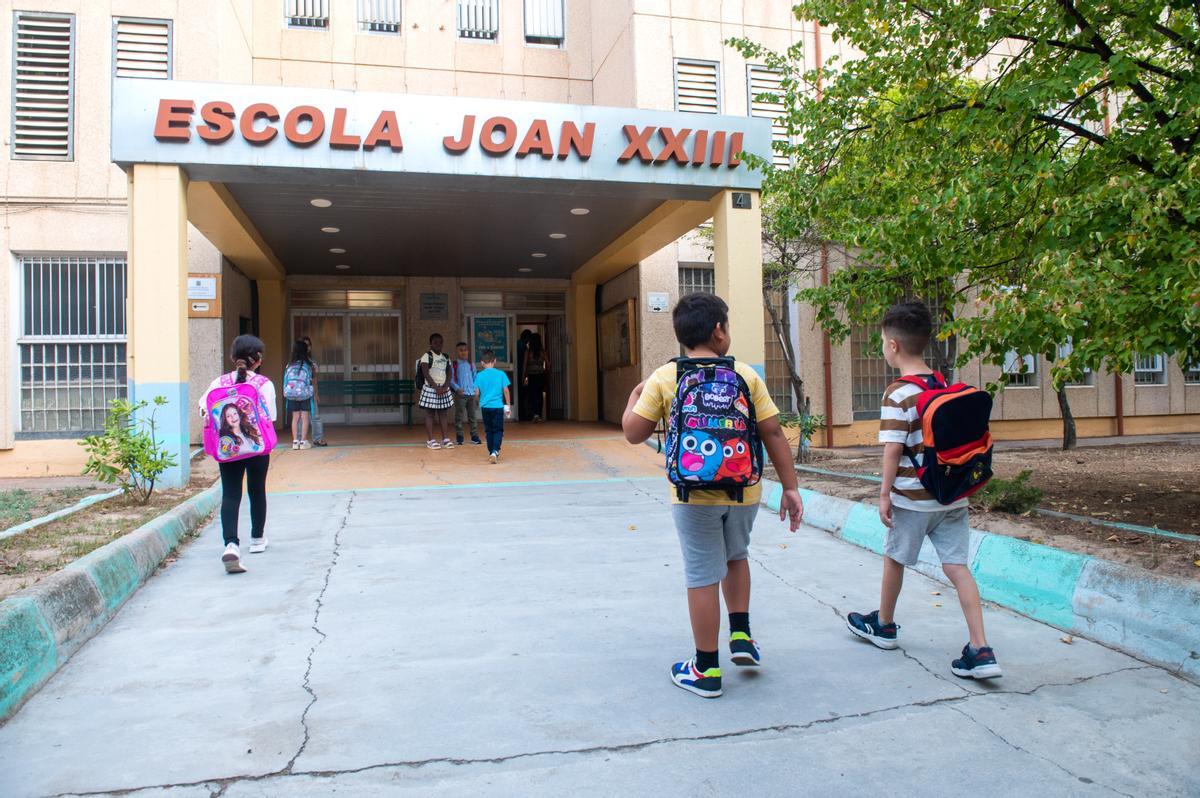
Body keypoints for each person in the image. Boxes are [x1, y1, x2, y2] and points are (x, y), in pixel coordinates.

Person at [621, 293, 805, 698]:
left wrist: (634, 399)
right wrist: (790, 488)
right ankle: (741, 635)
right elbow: (772, 432)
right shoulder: (745, 375)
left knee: (703, 573)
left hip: (692, 495)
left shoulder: (665, 377)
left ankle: (705, 669)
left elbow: (633, 433)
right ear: (719, 330)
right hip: (744, 490)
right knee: (736, 556)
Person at [845, 301, 1002, 680]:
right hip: (952, 495)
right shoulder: (946, 385)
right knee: (957, 567)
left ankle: (883, 625)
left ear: (894, 346)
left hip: (912, 499)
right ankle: (980, 648)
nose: (883, 348)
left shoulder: (898, 393)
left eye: (883, 341)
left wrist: (884, 494)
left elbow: (893, 449)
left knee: (895, 559)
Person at [200, 335, 276, 574]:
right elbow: (270, 417)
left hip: (228, 447)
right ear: (258, 359)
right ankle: (257, 540)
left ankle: (231, 544)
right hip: (256, 446)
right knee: (256, 490)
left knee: (231, 495)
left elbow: (203, 408)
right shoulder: (263, 383)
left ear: (233, 358)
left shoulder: (218, 383)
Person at [417, 333, 455, 449]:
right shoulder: (427, 356)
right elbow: (425, 373)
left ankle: (445, 439)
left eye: (440, 342)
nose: (438, 344)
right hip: (431, 388)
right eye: (435, 342)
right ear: (430, 344)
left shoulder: (446, 357)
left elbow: (449, 372)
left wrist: (445, 386)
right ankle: (430, 440)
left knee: (443, 414)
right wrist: (435, 387)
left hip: (443, 388)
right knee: (430, 414)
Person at [474, 349, 512, 464]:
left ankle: (491, 451)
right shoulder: (501, 374)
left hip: (485, 407)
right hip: (497, 407)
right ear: (494, 361)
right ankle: (495, 451)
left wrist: (477, 402)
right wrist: (508, 405)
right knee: (498, 430)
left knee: (489, 430)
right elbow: (506, 390)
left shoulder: (479, 375)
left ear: (482, 363)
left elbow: (476, 392)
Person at [284, 339, 316, 450]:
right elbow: (310, 380)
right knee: (305, 417)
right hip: (304, 393)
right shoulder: (308, 365)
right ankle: (303, 441)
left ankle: (295, 441)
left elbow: (286, 380)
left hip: (291, 393)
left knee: (295, 417)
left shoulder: (289, 365)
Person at [451, 341, 483, 446]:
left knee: (472, 416)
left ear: (468, 351)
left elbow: (475, 378)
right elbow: (451, 379)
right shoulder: (454, 365)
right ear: (457, 352)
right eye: (461, 350)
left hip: (471, 394)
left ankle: (474, 436)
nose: (463, 352)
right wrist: (457, 388)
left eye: (465, 350)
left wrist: (476, 389)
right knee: (459, 416)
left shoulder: (471, 364)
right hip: (461, 394)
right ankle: (459, 437)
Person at [301, 336, 327, 447]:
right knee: (299, 417)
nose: (307, 347)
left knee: (315, 416)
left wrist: (316, 393)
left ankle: (318, 438)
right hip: (299, 394)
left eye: (309, 345)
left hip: (310, 392)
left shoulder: (312, 362)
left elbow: (314, 379)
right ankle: (299, 439)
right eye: (304, 345)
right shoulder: (294, 362)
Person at [523, 332, 549, 422]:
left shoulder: (528, 352)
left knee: (532, 395)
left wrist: (524, 376)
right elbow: (548, 364)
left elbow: (525, 365)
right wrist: (547, 373)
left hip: (532, 376)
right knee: (539, 395)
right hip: (541, 375)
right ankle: (539, 414)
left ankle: (535, 414)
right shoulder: (543, 351)